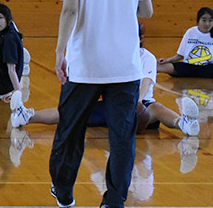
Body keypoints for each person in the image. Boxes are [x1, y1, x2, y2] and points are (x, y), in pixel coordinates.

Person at [50, 0, 155, 208]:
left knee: (70, 130)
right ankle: (114, 205)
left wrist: (59, 51)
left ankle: (63, 190)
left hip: (85, 66)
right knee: (122, 137)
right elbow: (147, 10)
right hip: (125, 68)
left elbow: (69, 10)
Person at [12, 22, 199, 137]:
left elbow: (146, 83)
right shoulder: (112, 55)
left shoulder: (146, 57)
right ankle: (26, 116)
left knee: (157, 109)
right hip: (114, 106)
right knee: (71, 112)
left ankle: (183, 123)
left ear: (140, 38)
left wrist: (136, 103)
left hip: (139, 105)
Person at [156, 7, 213, 88]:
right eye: (204, 20)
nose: (207, 24)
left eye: (210, 21)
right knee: (158, 66)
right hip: (188, 67)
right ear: (198, 21)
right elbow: (180, 56)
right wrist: (167, 60)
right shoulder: (190, 32)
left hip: (209, 67)